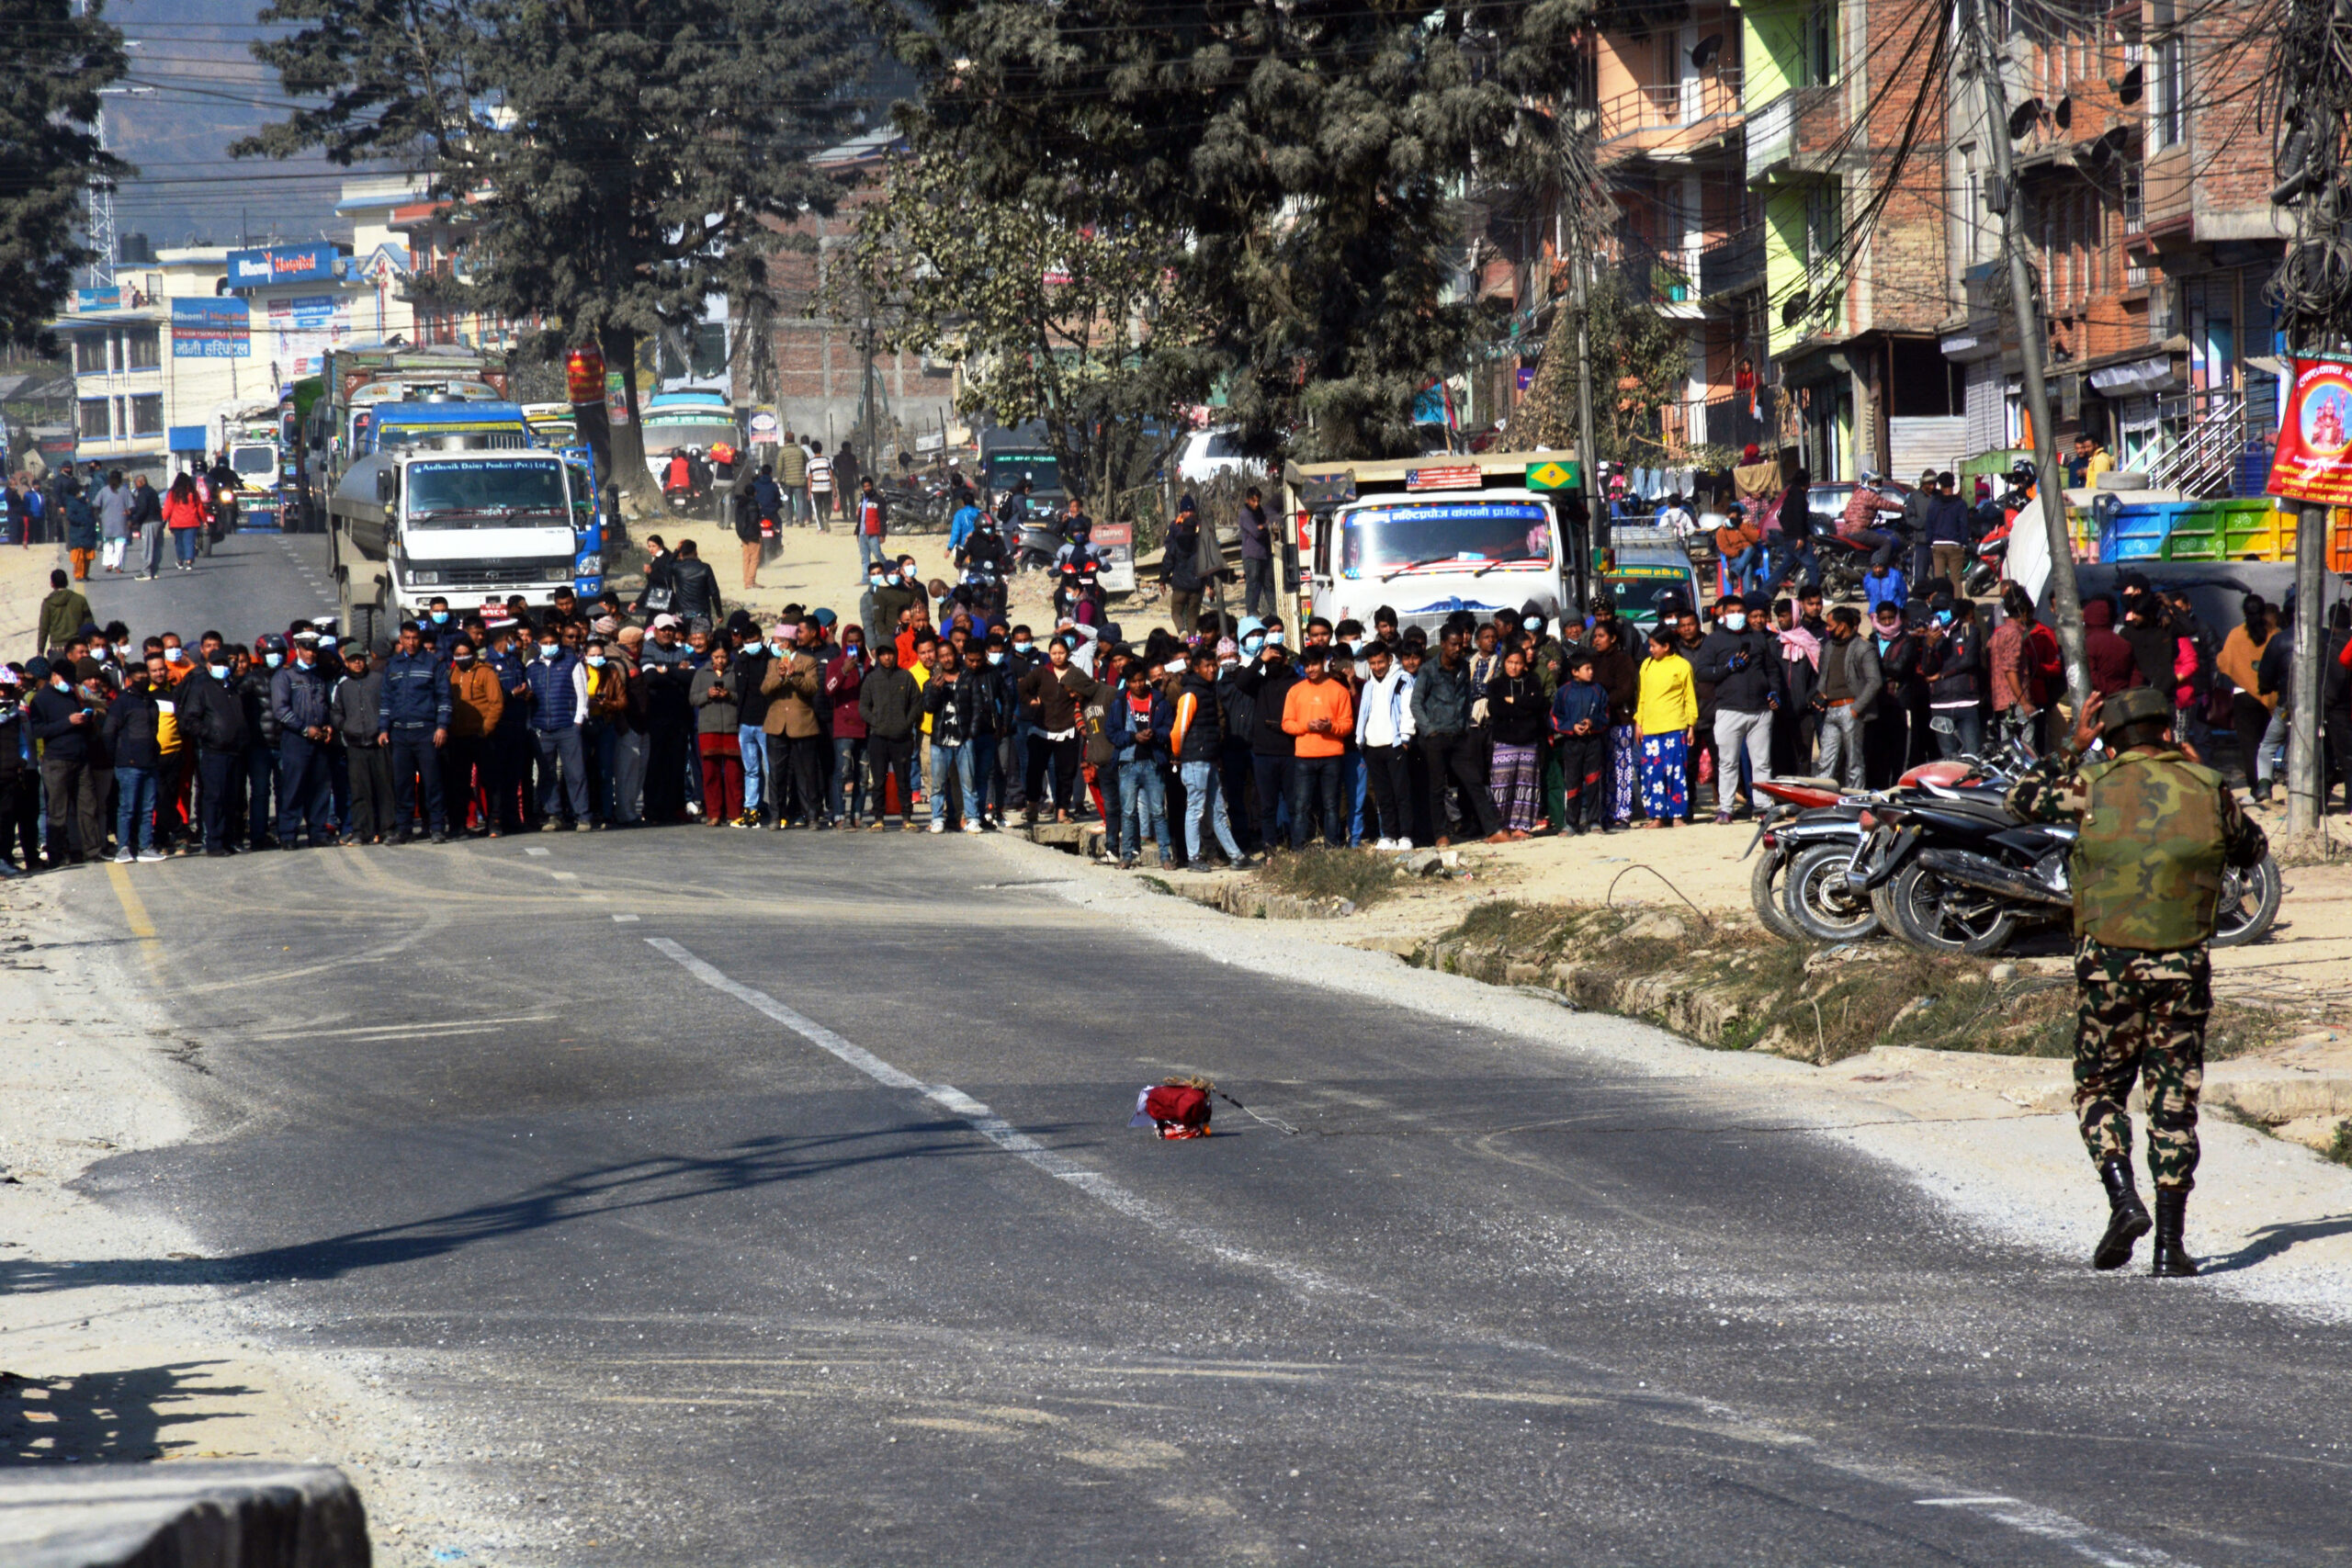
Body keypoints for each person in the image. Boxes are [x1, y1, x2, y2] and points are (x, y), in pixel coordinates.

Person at [2006, 687, 2267, 1276]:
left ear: (2110, 736)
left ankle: (2124, 1199)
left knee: (2098, 1088)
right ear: (2167, 729)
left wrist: (2070, 748)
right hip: (2183, 969)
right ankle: (2170, 1247)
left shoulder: (2091, 787)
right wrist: (2202, 786)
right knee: (2174, 1102)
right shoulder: (2207, 789)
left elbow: (2018, 802)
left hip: (2109, 968)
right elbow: (2253, 847)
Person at [1411, 625, 1503, 845]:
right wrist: (1429, 730)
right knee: (1436, 789)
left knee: (1474, 783)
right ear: (1443, 644)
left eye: (1459, 645)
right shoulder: (1428, 670)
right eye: (1452, 645)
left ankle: (1493, 831)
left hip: (1459, 737)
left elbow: (1466, 699)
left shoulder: (1464, 667)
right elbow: (1416, 703)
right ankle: (1441, 835)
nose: (1456, 649)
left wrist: (1464, 725)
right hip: (1435, 737)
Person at [1172, 644, 1250, 866]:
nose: (1212, 669)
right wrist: (1178, 753)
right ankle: (1194, 857)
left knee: (1217, 809)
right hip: (1195, 760)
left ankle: (1236, 856)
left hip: (1208, 758)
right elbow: (1179, 730)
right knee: (1195, 809)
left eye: (1213, 665)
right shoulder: (1190, 694)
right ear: (1196, 668)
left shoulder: (1207, 690)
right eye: (1207, 666)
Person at [376, 622, 452, 843]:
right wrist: (383, 728)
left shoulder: (432, 664)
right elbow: (386, 699)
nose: (411, 642)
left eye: (415, 638)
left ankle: (437, 827)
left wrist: (442, 726)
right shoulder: (393, 665)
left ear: (420, 639)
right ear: (400, 639)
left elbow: (444, 697)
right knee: (402, 785)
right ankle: (404, 830)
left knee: (432, 783)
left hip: (426, 733)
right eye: (407, 638)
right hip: (400, 734)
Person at [1281, 644, 1352, 848]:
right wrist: (1307, 726)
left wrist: (1330, 727)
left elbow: (1347, 725)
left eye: (1314, 664)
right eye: (1307, 666)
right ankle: (1298, 846)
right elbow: (1287, 723)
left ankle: (1332, 845)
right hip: (1304, 756)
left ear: (1323, 663)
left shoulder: (1339, 691)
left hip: (1332, 756)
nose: (1311, 669)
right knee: (1301, 805)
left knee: (1331, 805)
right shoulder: (1295, 691)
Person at [1019, 635, 1097, 821]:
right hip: (1042, 728)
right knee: (1035, 770)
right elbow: (1022, 688)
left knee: (1066, 772)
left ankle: (1062, 810)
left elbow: (1088, 692)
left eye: (1061, 653)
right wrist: (1031, 701)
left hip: (1067, 729)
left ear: (1067, 653)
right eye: (1054, 653)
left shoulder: (1075, 673)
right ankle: (1031, 807)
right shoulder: (1041, 672)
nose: (1057, 656)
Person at [271, 632, 336, 848]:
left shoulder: (319, 674)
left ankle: (317, 832)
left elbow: (326, 703)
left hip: (319, 739)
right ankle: (288, 835)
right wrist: (303, 729)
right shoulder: (286, 675)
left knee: (320, 788)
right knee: (293, 788)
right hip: (296, 739)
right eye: (306, 648)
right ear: (297, 647)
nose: (311, 653)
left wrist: (328, 725)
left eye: (314, 649)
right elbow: (281, 710)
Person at [1107, 656, 1174, 867]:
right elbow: (1111, 733)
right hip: (1128, 763)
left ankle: (1165, 856)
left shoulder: (1159, 702)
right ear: (1127, 682)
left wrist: (1155, 734)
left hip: (1153, 762)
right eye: (1133, 681)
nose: (1138, 685)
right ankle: (1127, 855)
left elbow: (1168, 728)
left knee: (1158, 812)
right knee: (1128, 812)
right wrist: (1132, 737)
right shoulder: (1120, 703)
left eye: (1141, 680)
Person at [1354, 640, 1415, 849]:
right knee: (1383, 794)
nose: (1377, 667)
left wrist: (1405, 737)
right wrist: (1360, 740)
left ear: (1389, 660)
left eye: (1381, 662)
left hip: (1395, 744)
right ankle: (1388, 835)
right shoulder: (1369, 685)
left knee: (1401, 793)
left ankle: (1406, 835)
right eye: (1373, 663)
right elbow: (1364, 713)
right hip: (1373, 747)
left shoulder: (1402, 679)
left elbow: (1408, 710)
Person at [331, 641, 391, 844]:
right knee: (359, 791)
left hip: (378, 744)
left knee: (384, 788)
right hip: (355, 745)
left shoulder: (378, 680)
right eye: (352, 660)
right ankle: (361, 831)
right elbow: (336, 712)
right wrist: (346, 726)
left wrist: (383, 728)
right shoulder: (343, 686)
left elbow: (387, 705)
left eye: (360, 659)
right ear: (346, 662)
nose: (357, 663)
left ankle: (387, 829)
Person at [1812, 606, 1879, 791]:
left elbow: (1874, 681)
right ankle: (1821, 800)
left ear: (1842, 626)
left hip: (1851, 708)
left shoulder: (1863, 648)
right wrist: (1821, 693)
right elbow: (1824, 674)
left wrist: (1856, 708)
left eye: (1831, 625)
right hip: (1831, 710)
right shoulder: (1829, 647)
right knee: (1825, 760)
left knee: (1854, 762)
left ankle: (1855, 799)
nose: (1828, 629)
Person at [1635, 626, 1696, 827]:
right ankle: (1657, 816)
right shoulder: (1646, 665)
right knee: (1653, 774)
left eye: (1654, 646)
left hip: (1675, 727)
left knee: (1676, 773)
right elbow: (1642, 697)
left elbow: (1689, 697)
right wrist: (1639, 722)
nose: (1650, 649)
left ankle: (1678, 815)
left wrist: (1691, 725)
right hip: (1651, 729)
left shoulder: (1682, 665)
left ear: (1666, 646)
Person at [857, 639, 921, 828]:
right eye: (883, 653)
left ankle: (907, 818)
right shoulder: (872, 679)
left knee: (903, 780)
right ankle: (878, 819)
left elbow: (917, 703)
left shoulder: (906, 677)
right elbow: (863, 706)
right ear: (878, 656)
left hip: (901, 738)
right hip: (878, 737)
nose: (887, 657)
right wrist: (875, 721)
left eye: (890, 653)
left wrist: (906, 723)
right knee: (878, 780)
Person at [1917, 593, 1985, 759]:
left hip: (1966, 702)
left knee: (1973, 756)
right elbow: (1927, 670)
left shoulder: (1969, 630)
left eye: (1944, 610)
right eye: (1936, 611)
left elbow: (1969, 661)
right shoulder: (1933, 636)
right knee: (1948, 757)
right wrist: (1930, 646)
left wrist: (1941, 676)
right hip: (1940, 705)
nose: (1940, 614)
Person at [690, 643, 746, 827]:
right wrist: (708, 694)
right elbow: (693, 698)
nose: (720, 661)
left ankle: (734, 812)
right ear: (710, 657)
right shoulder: (701, 673)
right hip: (709, 728)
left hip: (731, 728)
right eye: (716, 657)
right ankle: (714, 813)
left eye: (723, 657)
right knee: (710, 773)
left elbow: (742, 697)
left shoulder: (735, 671)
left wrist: (729, 695)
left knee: (734, 774)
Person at [824, 630, 872, 829]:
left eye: (858, 641)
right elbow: (829, 689)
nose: (855, 645)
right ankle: (838, 815)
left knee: (863, 773)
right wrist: (843, 671)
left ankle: (857, 813)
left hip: (865, 724)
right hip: (844, 725)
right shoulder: (836, 665)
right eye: (850, 642)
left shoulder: (869, 666)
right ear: (844, 643)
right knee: (842, 772)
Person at [1237, 487, 1277, 620]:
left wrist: (1265, 526)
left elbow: (1267, 525)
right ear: (1247, 500)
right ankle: (1251, 612)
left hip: (1264, 554)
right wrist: (1265, 527)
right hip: (1252, 555)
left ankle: (1274, 610)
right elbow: (1257, 532)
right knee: (1253, 584)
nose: (1256, 504)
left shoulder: (1260, 512)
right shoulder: (1245, 514)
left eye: (1258, 501)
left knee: (1268, 583)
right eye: (1253, 501)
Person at [34, 570, 92, 660]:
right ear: (67, 582)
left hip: (57, 650)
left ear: (52, 584)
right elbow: (89, 625)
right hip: (77, 649)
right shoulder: (80, 599)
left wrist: (40, 651)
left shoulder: (48, 603)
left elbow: (44, 629)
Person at [667, 538, 722, 630]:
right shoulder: (705, 568)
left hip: (683, 615)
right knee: (701, 642)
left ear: (682, 553)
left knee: (683, 642)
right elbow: (714, 592)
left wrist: (676, 550)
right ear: (695, 551)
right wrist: (719, 613)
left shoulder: (677, 567)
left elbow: (667, 565)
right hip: (702, 614)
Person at [162, 472, 207, 571]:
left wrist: (163, 519)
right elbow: (200, 508)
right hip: (191, 522)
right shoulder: (193, 493)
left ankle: (180, 560)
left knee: (179, 542)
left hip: (176, 522)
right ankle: (189, 561)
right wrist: (204, 520)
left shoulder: (173, 493)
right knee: (190, 541)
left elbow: (168, 508)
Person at [854, 477, 889, 576]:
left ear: (872, 486)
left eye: (868, 486)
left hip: (873, 534)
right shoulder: (862, 501)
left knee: (878, 555)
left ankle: (889, 572)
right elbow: (860, 518)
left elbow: (883, 518)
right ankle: (865, 578)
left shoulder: (879, 500)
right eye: (865, 486)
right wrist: (857, 532)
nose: (867, 488)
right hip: (862, 534)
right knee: (865, 558)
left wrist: (882, 534)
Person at [806, 440, 834, 528]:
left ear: (812, 450)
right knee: (828, 506)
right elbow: (831, 475)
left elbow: (809, 478)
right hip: (827, 487)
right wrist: (834, 488)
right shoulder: (827, 460)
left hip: (816, 488)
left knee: (818, 508)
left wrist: (809, 492)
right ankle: (826, 519)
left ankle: (821, 527)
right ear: (821, 449)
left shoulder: (810, 463)